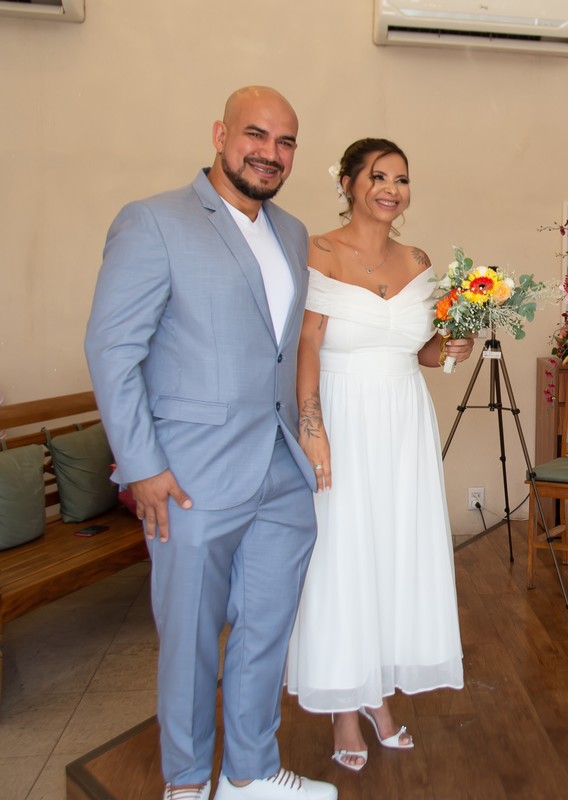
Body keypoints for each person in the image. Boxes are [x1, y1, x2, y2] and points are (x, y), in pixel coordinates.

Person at [84, 87, 337, 800]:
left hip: (279, 473)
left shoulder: (291, 232)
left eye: (286, 142)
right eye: (256, 135)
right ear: (221, 135)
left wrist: (306, 434)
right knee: (190, 641)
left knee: (266, 632)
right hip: (190, 478)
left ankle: (249, 772)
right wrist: (142, 466)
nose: (270, 153)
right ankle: (187, 782)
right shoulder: (153, 221)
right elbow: (112, 350)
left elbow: (283, 351)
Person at [285, 138, 472, 772]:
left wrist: (452, 346)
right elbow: (307, 346)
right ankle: (344, 706)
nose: (392, 189)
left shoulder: (418, 260)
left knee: (393, 552)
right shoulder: (319, 250)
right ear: (348, 183)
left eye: (402, 179)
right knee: (342, 555)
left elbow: (420, 351)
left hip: (403, 422)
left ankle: (378, 693)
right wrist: (312, 427)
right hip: (342, 416)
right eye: (378, 176)